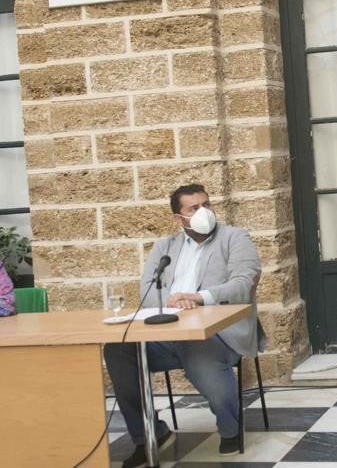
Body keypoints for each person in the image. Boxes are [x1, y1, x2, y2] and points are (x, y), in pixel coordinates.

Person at [104, 183, 263, 467]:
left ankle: (230, 429)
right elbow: (148, 291)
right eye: (194, 208)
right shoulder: (164, 247)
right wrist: (177, 304)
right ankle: (149, 435)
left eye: (206, 204)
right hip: (169, 331)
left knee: (196, 349)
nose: (204, 212)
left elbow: (243, 284)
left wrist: (199, 298)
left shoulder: (234, 237)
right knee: (119, 350)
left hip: (219, 333)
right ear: (179, 218)